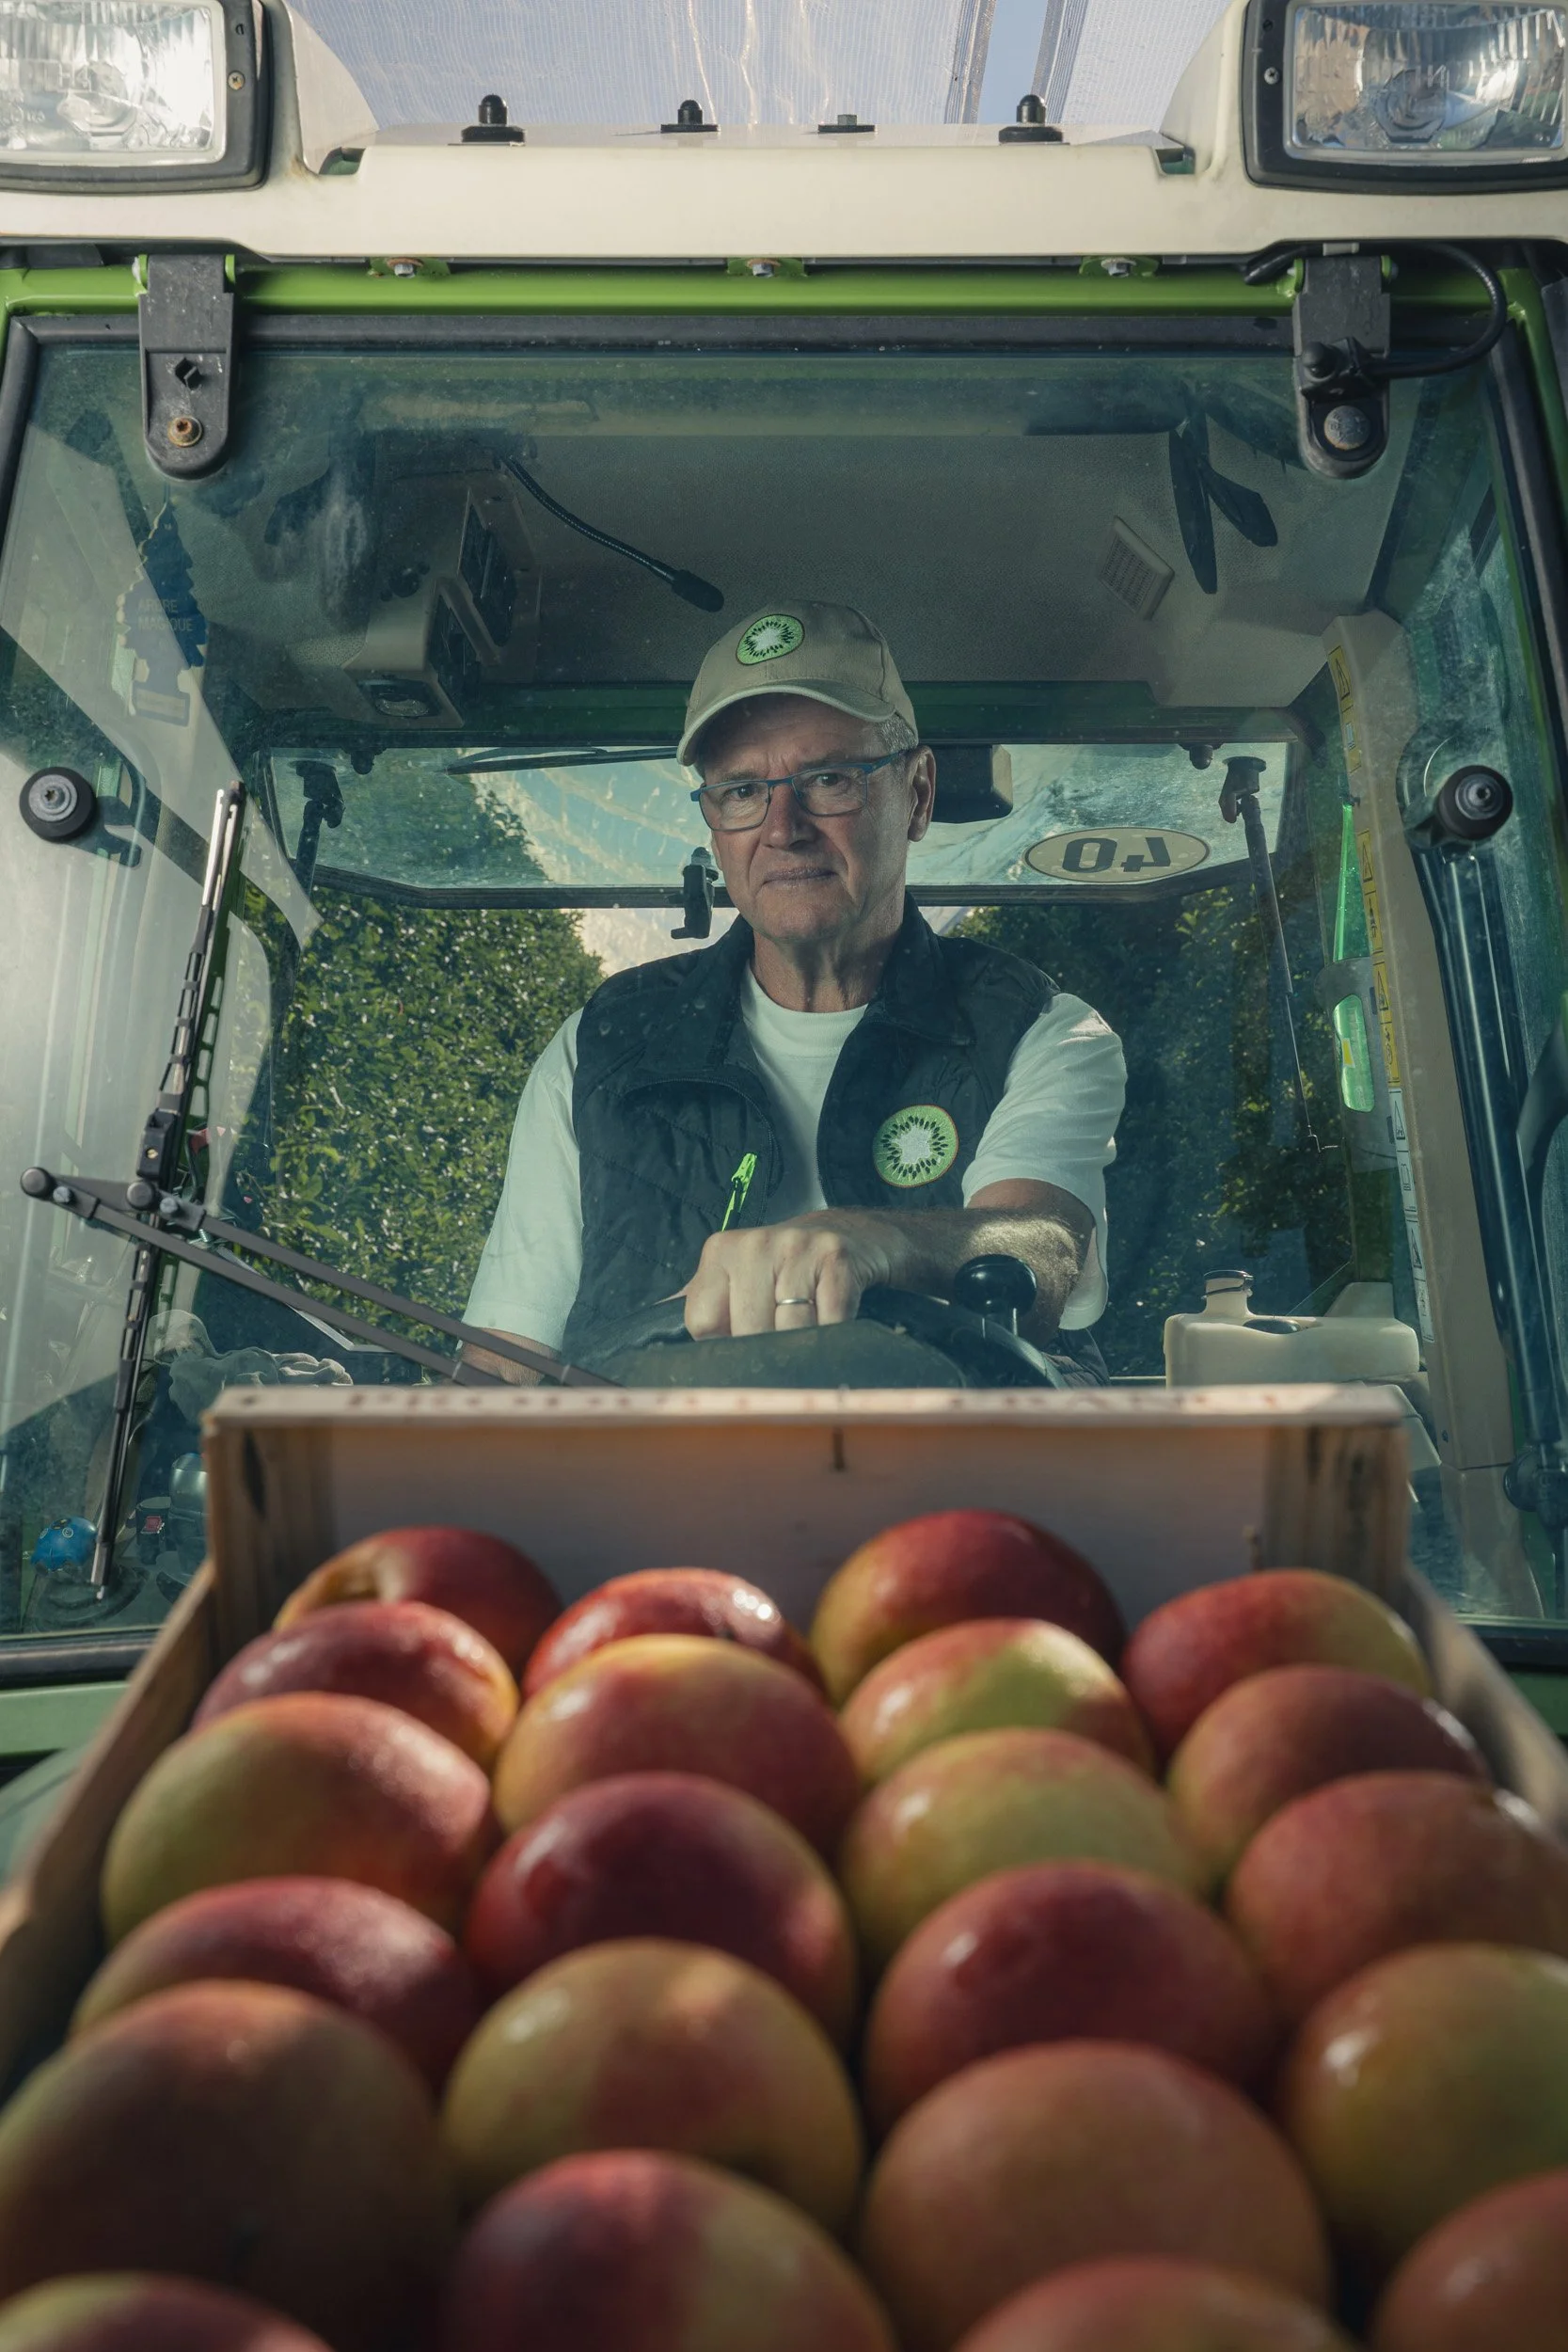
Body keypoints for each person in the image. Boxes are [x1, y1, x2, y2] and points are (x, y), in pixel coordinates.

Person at [465, 600, 1126, 1379]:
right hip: (646, 1489)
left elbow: (1041, 1247)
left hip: (948, 1480)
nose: (783, 827)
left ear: (915, 795)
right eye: (741, 790)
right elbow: (503, 1367)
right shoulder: (597, 1050)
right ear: (714, 823)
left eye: (829, 778)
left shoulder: (1038, 1029)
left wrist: (875, 1240)